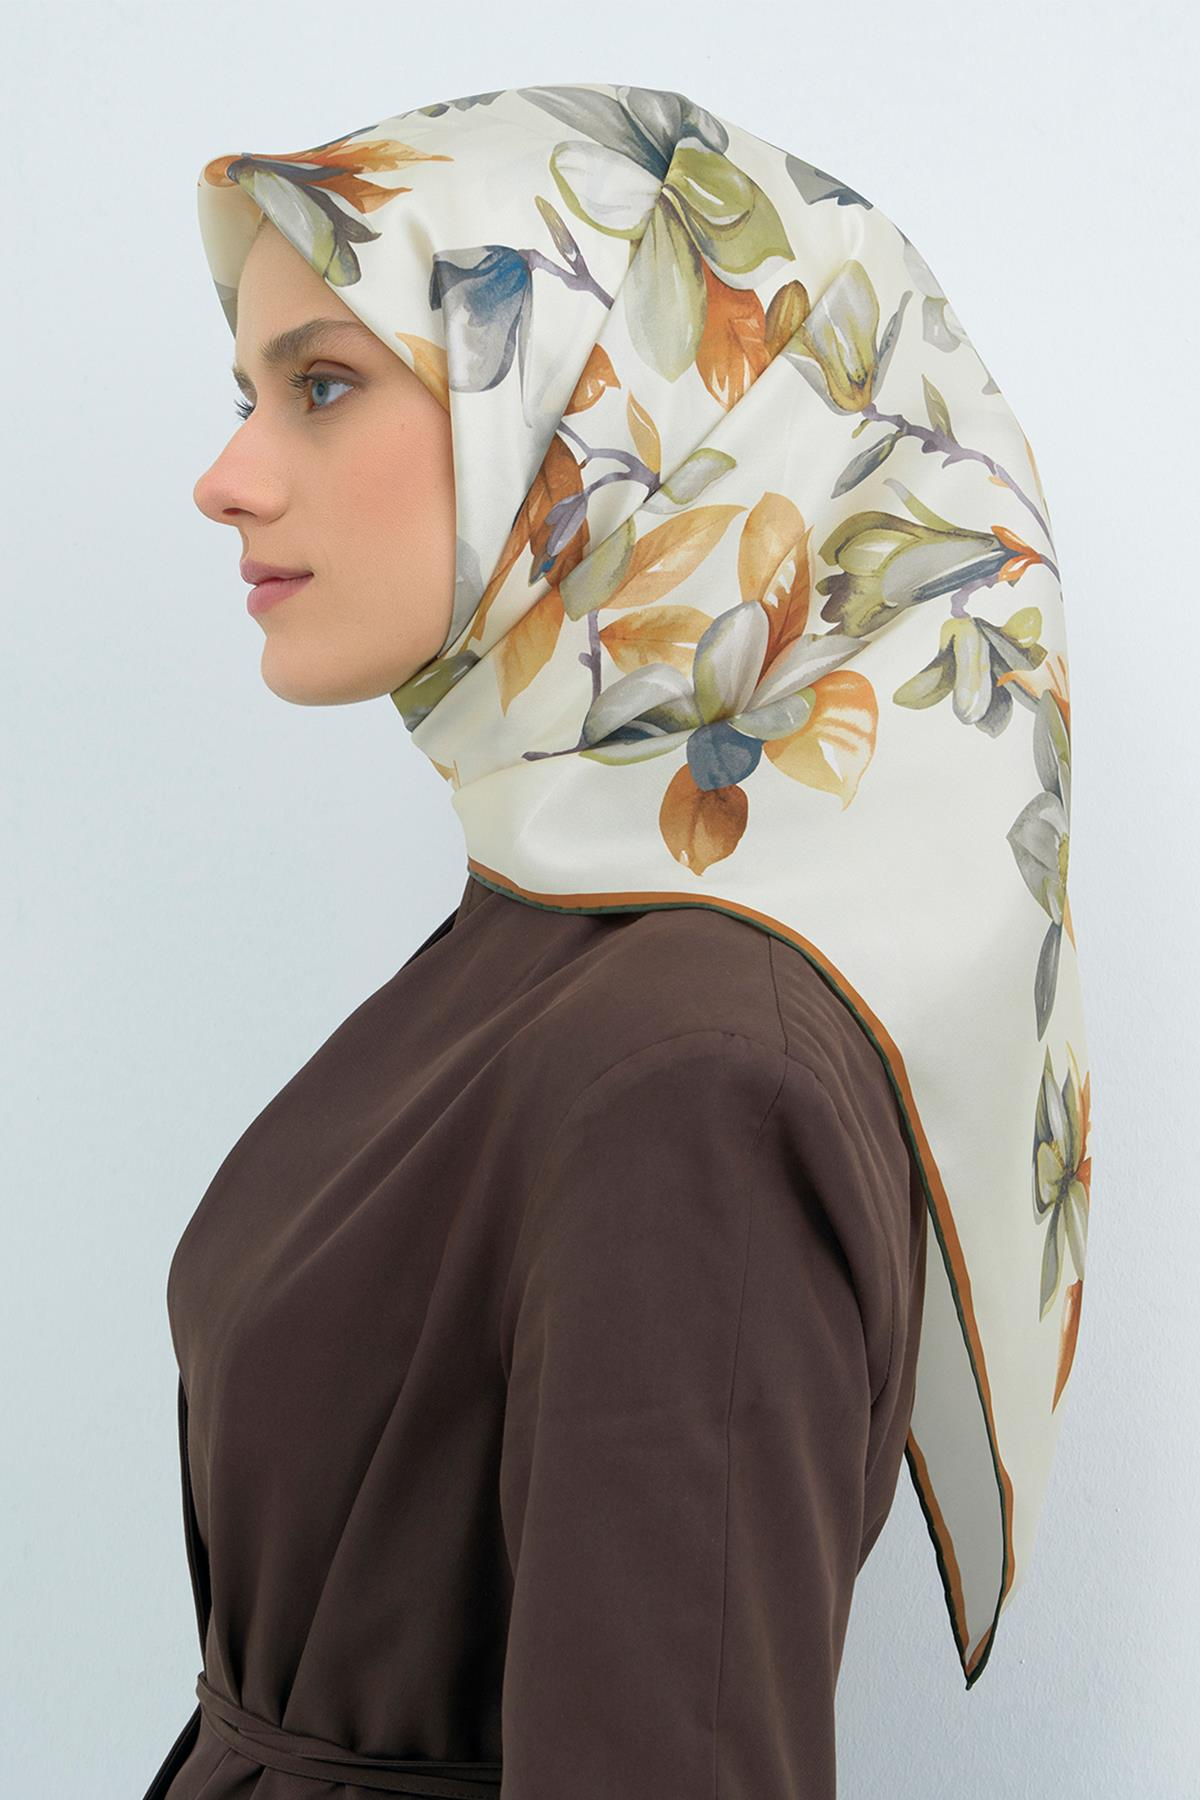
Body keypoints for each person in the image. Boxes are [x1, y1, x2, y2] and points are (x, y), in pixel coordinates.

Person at [142, 81, 1091, 1800]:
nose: (226, 479)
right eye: (246, 394)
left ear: (600, 417)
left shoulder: (699, 1082)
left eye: (322, 385)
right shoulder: (549, 929)